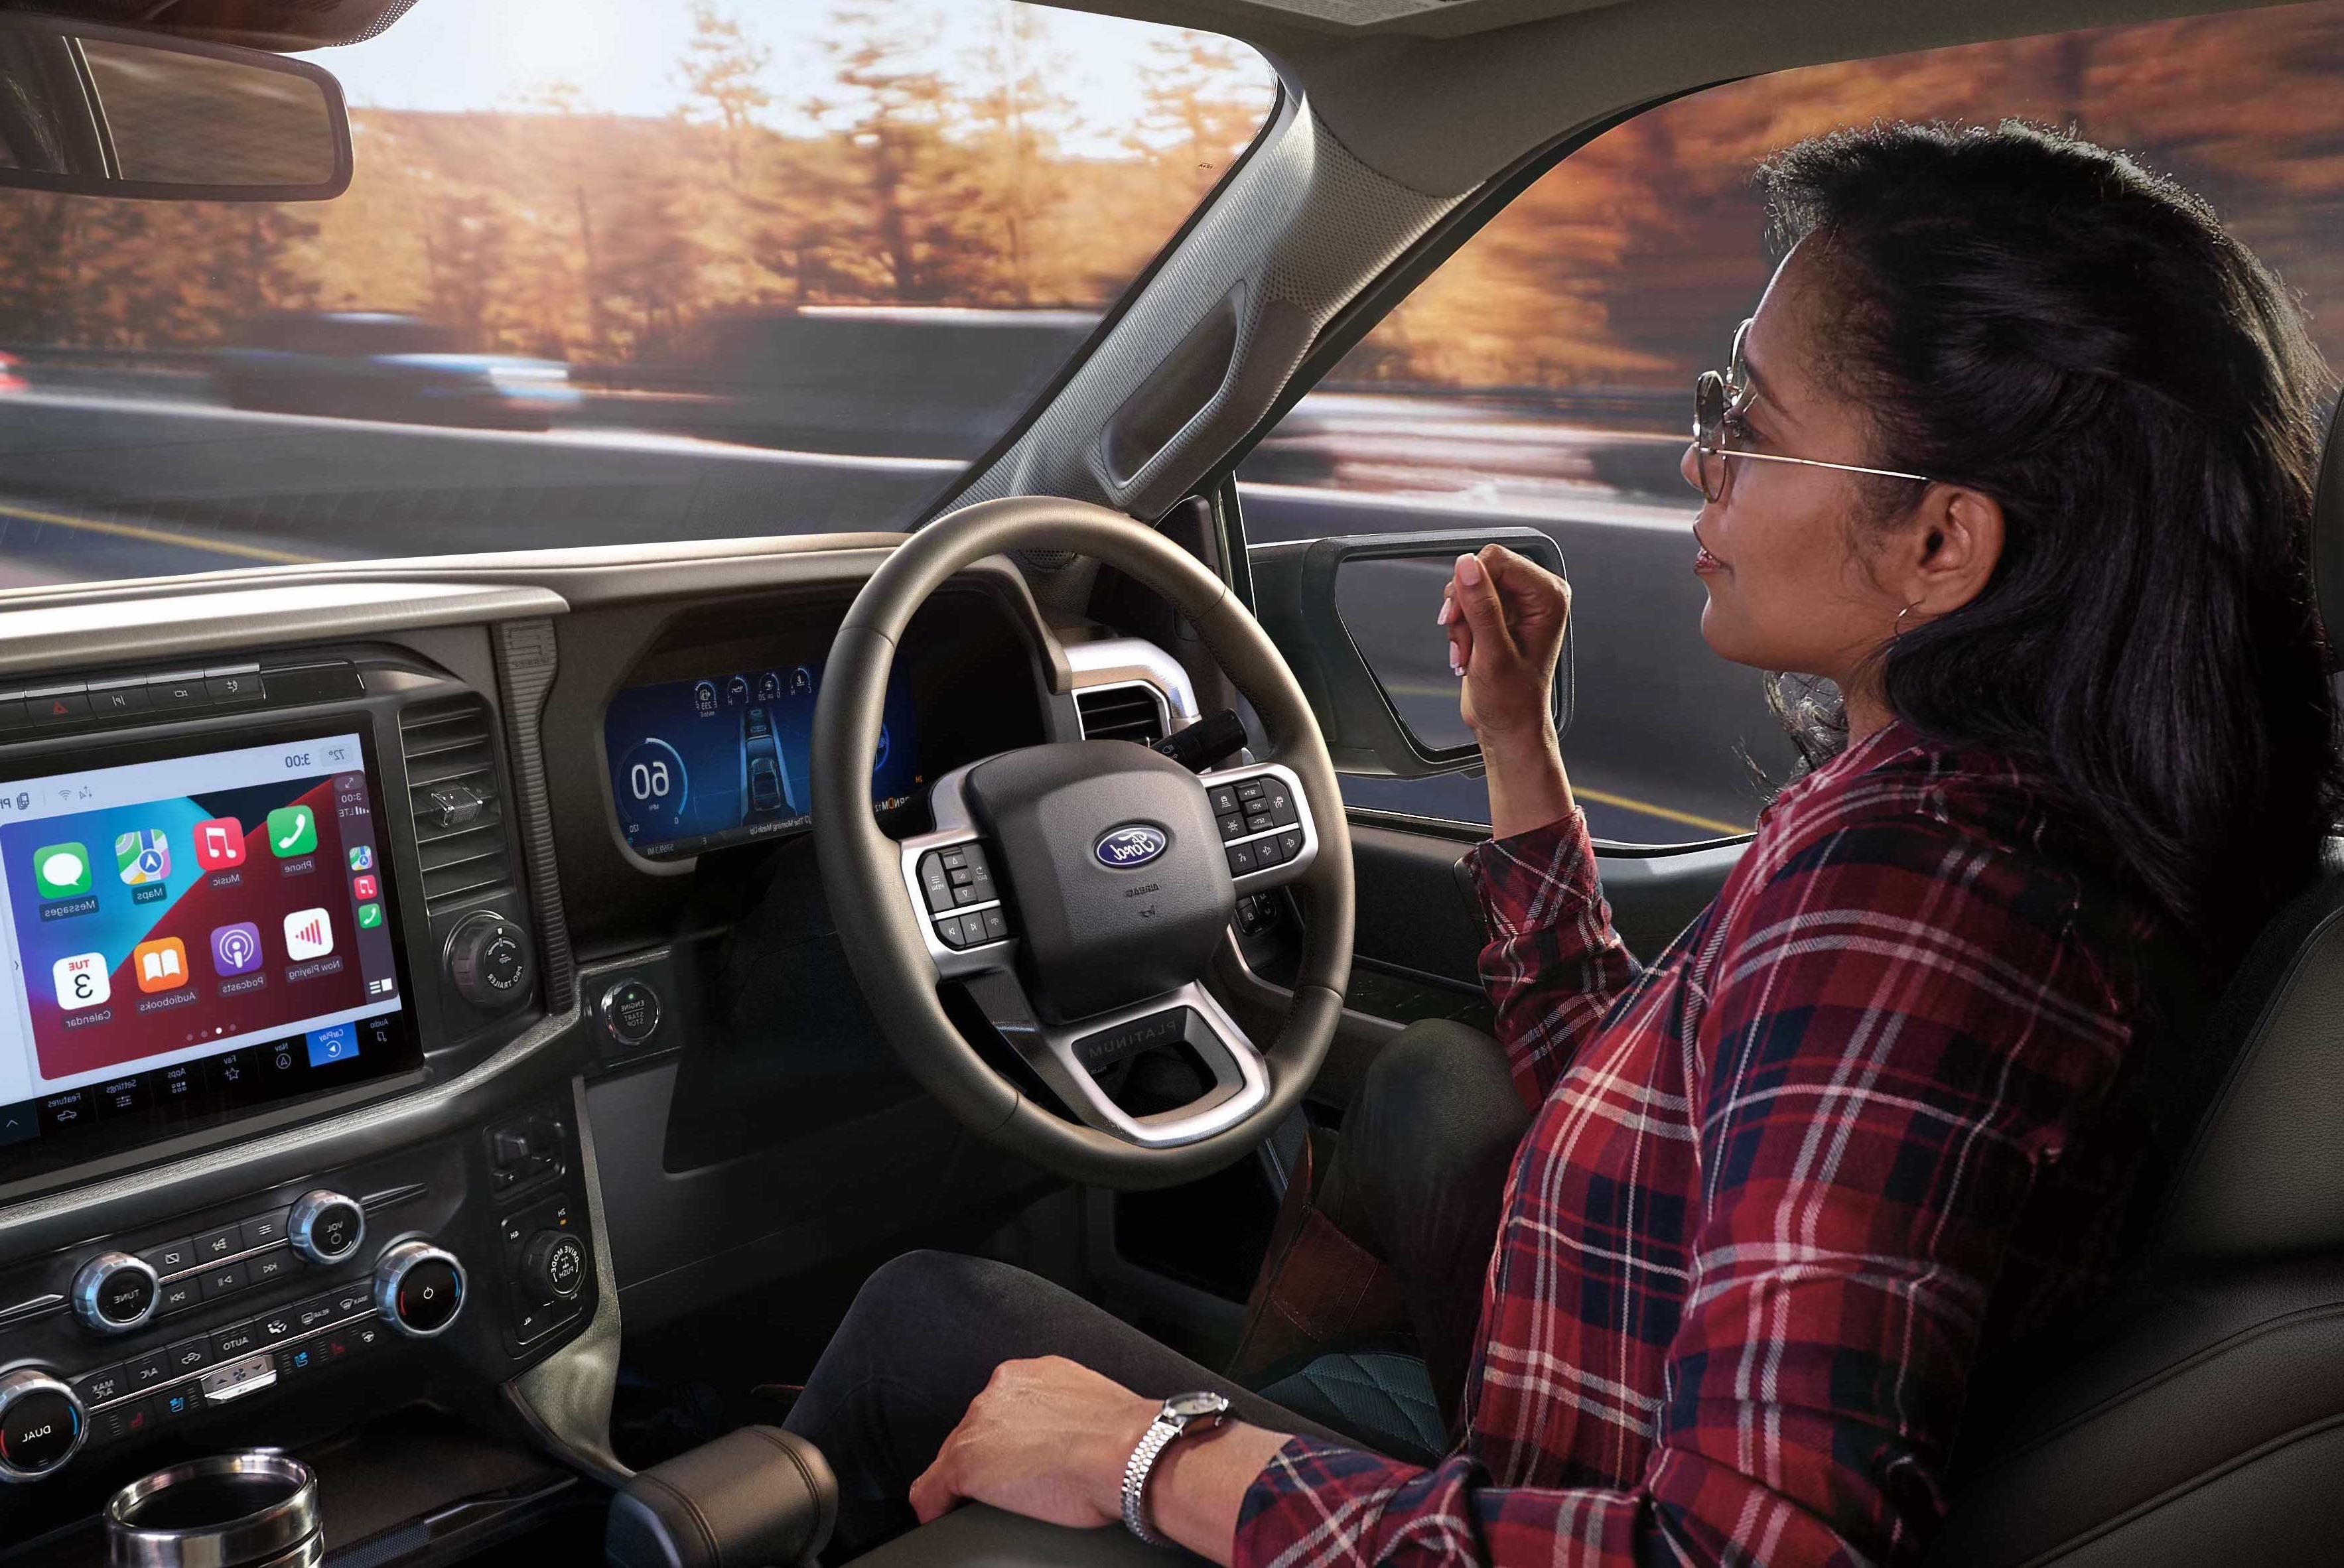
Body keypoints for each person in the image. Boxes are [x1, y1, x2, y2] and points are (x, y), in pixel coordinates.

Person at [785, 121, 2343, 1565]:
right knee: (1436, 1085)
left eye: (1745, 415)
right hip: (1554, 1439)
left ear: (1943, 542)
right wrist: (1519, 749)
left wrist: (1148, 1459)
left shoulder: (1918, 903)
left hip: (1551, 1508)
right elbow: (1675, 1094)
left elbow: (1740, 1551)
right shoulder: (1997, 819)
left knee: (931, 1318)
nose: (1697, 459)